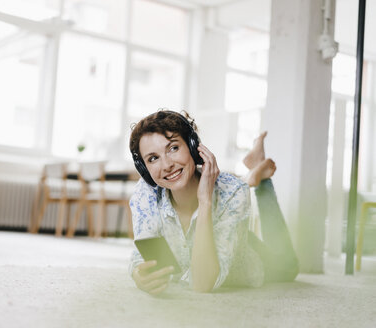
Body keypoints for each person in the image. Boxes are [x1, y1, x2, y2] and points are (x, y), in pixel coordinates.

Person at [128, 110, 299, 295]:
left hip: (242, 250)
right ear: (144, 169)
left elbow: (202, 284)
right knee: (234, 194)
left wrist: (205, 201)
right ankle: (252, 175)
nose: (167, 164)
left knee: (288, 266)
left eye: (173, 148)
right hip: (227, 225)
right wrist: (139, 275)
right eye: (153, 158)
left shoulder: (233, 192)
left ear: (194, 147)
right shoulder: (145, 192)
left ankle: (262, 181)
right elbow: (141, 258)